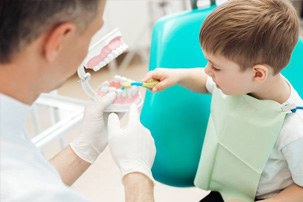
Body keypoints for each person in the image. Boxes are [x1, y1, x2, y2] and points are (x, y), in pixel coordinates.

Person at [143, 0, 303, 201]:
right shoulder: (241, 84)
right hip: (229, 189)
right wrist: (178, 76)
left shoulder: (294, 131)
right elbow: (205, 81)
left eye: (216, 67)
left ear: (258, 74)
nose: (207, 71)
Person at [0, 0, 156, 201]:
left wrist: (85, 148)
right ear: (59, 41)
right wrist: (137, 174)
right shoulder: (33, 192)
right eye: (92, 34)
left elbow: (30, 174)